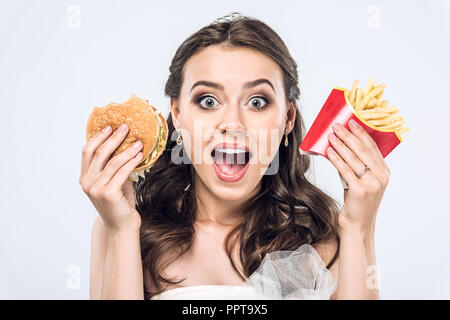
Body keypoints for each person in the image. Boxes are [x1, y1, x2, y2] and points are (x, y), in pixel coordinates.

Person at [79, 12, 389, 300]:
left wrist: (360, 230)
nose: (232, 124)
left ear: (288, 118)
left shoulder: (324, 241)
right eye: (208, 100)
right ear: (176, 113)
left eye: (256, 101)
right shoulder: (123, 226)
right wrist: (121, 230)